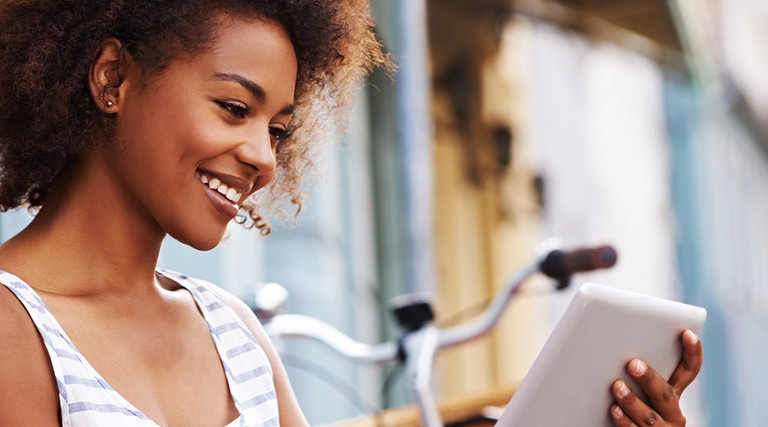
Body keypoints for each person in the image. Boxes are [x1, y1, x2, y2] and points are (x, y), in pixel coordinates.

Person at [0, 1, 701, 426]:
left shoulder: (231, 335)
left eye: (277, 128)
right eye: (235, 108)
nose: (263, 157)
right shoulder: (14, 329)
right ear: (113, 77)